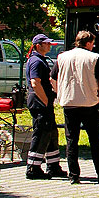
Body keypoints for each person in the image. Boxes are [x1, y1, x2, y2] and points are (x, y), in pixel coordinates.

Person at [52, 30, 99, 184]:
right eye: (92, 43)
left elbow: (52, 78)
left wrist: (60, 94)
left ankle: (74, 175)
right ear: (87, 43)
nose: (93, 46)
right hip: (89, 103)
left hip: (69, 103)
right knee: (95, 139)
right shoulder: (94, 58)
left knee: (71, 139)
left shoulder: (62, 57)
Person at [25, 33, 67, 179]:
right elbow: (35, 83)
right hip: (39, 103)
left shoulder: (40, 60)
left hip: (44, 103)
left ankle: (53, 165)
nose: (49, 45)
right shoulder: (36, 61)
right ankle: (33, 168)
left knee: (50, 132)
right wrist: (45, 101)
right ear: (38, 45)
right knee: (41, 133)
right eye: (46, 43)